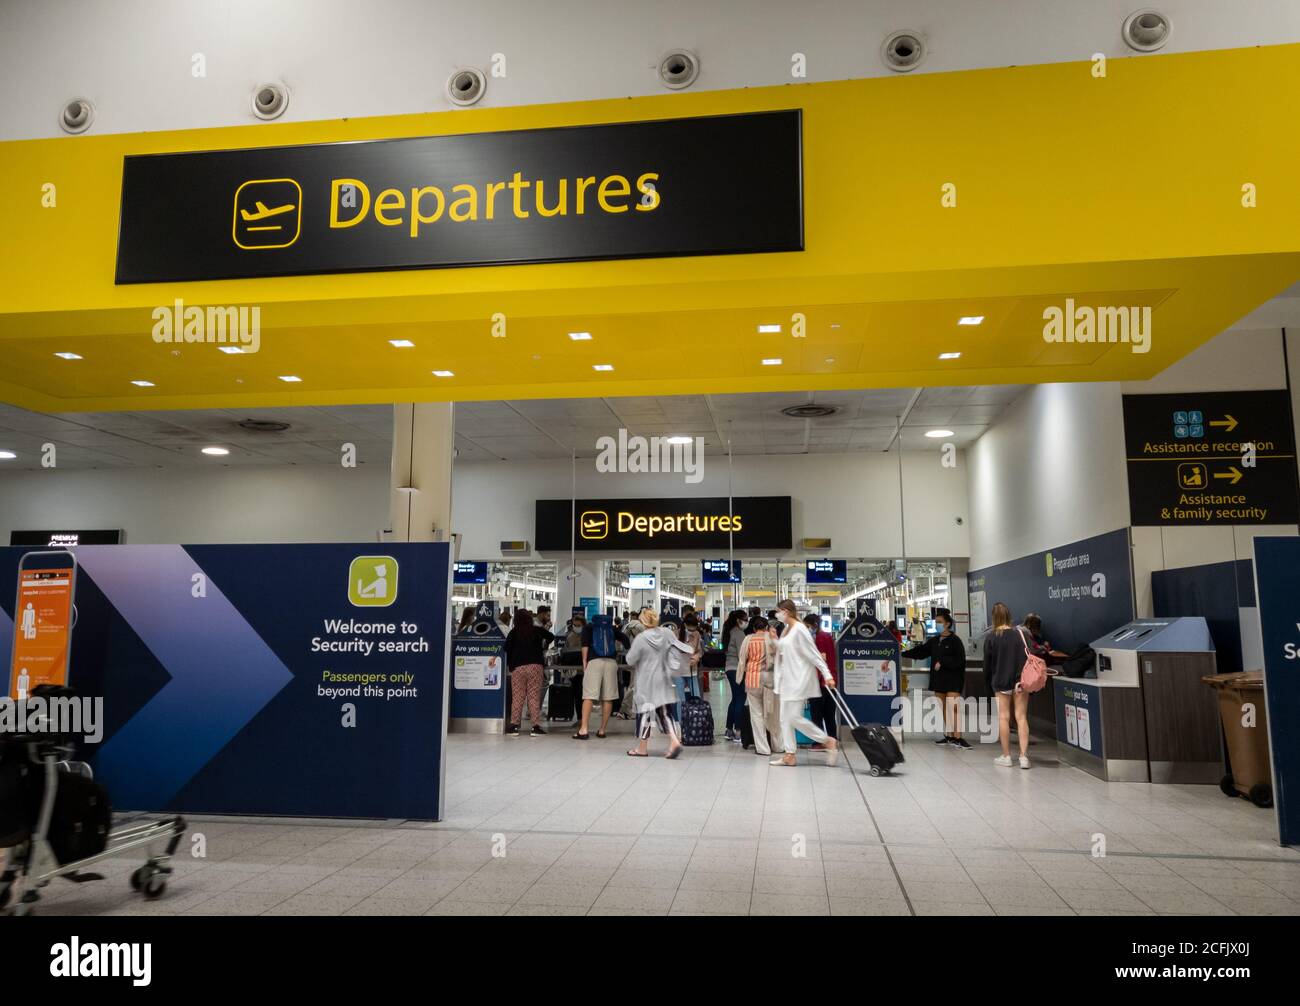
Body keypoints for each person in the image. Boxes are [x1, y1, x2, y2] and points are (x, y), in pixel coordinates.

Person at [770, 599, 839, 767]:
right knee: (783, 719)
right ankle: (790, 754)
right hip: (786, 679)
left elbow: (814, 654)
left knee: (793, 717)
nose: (777, 615)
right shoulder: (786, 629)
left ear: (786, 611)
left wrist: (827, 674)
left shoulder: (800, 629)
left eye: (778, 611)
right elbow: (784, 649)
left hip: (798, 680)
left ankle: (827, 740)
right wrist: (774, 641)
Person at [983, 602, 1048, 769]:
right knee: (1021, 717)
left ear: (994, 617)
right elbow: (1032, 652)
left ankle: (1006, 756)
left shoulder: (991, 637)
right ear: (1008, 615)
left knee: (1004, 718)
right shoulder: (1020, 633)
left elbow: (987, 665)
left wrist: (987, 682)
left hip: (1000, 681)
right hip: (1020, 681)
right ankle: (1023, 757)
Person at [624, 609, 694, 759]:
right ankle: (675, 741)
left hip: (646, 681)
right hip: (664, 678)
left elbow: (630, 660)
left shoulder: (641, 638)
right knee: (664, 713)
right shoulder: (666, 633)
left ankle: (642, 748)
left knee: (645, 714)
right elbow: (677, 647)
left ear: (643, 621)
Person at [902, 608, 969, 748]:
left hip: (953, 679)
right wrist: (903, 653)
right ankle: (949, 735)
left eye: (940, 622)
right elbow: (921, 652)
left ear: (948, 624)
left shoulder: (955, 641)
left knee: (954, 708)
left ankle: (958, 737)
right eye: (936, 622)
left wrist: (943, 662)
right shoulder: (934, 641)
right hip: (939, 679)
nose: (937, 624)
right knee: (943, 708)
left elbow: (960, 660)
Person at [573, 613, 629, 740]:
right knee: (607, 697)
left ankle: (584, 729)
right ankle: (602, 730)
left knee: (588, 696)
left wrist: (584, 662)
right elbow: (625, 639)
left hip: (594, 662)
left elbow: (585, 645)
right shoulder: (611, 628)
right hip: (611, 663)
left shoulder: (588, 628)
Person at [504, 609, 553, 736]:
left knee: (518, 697)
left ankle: (514, 726)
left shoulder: (514, 632)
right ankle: (535, 727)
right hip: (535, 666)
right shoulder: (536, 630)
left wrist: (511, 663)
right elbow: (551, 637)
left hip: (518, 668)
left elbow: (506, 648)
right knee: (533, 696)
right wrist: (543, 643)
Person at [741, 616, 782, 755]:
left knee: (757, 715)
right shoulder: (771, 638)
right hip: (770, 679)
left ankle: (763, 748)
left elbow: (742, 659)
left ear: (753, 628)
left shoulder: (748, 639)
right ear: (766, 627)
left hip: (752, 680)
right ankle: (777, 746)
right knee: (773, 713)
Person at [802, 613, 839, 749]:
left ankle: (820, 741)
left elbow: (821, 659)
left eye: (807, 626)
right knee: (829, 713)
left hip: (820, 681)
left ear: (814, 626)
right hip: (831, 679)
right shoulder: (828, 637)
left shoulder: (820, 638)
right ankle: (833, 739)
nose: (806, 629)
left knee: (817, 713)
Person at [721, 609, 749, 741]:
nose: (746, 622)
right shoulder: (739, 633)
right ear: (739, 620)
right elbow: (742, 654)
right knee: (740, 698)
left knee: (735, 698)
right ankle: (738, 731)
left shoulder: (729, 631)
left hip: (729, 668)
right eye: (745, 619)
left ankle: (728, 730)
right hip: (737, 669)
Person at [683, 612, 704, 698]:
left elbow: (700, 651)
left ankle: (695, 711)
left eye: (694, 630)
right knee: (680, 700)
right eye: (690, 630)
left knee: (696, 695)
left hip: (692, 670)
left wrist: (697, 657)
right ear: (685, 625)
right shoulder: (676, 634)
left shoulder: (697, 634)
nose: (692, 632)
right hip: (678, 671)